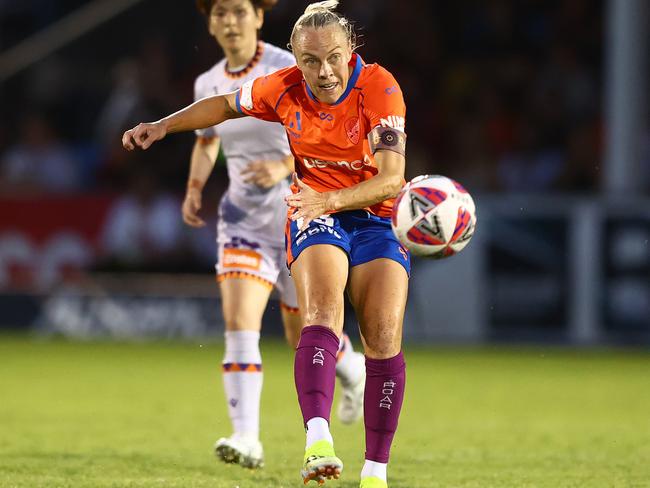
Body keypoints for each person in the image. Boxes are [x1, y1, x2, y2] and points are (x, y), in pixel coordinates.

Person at [123, 1, 409, 486]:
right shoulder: (284, 87)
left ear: (351, 50)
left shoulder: (379, 87)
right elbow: (223, 105)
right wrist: (163, 126)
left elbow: (391, 179)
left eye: (334, 57)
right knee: (319, 313)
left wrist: (330, 199)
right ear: (294, 59)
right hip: (313, 214)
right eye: (311, 61)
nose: (324, 71)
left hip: (374, 218)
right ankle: (316, 441)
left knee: (382, 337)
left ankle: (375, 472)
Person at [180, 0, 366, 471]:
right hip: (242, 220)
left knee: (302, 332)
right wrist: (195, 188)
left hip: (300, 215)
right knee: (240, 324)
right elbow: (208, 141)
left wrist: (284, 165)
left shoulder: (290, 64)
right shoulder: (207, 83)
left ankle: (354, 368)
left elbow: (328, 130)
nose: (230, 21)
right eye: (219, 12)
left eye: (240, 11)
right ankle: (247, 439)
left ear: (259, 17)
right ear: (210, 22)